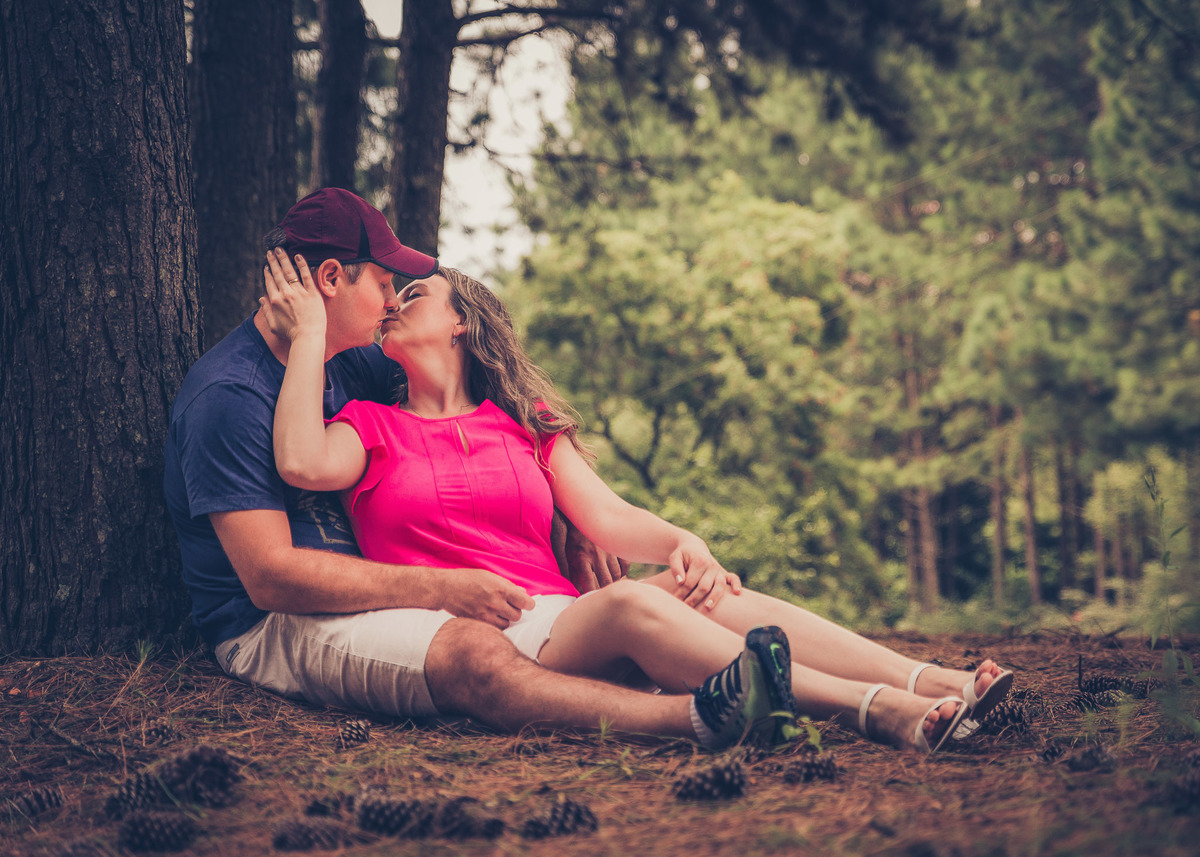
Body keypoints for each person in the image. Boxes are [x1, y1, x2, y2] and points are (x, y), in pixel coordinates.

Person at [262, 250, 1016, 753]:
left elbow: (608, 515)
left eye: (415, 294)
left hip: (562, 622)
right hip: (486, 634)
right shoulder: (369, 425)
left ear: (461, 322)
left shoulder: (521, 424)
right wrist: (309, 334)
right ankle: (871, 707)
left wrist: (682, 540)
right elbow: (298, 460)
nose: (394, 304)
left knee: (708, 590)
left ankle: (933, 680)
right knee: (630, 602)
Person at [164, 187, 786, 751]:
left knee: (673, 598)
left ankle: (819, 689)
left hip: (379, 595)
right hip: (275, 622)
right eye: (384, 282)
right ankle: (695, 717)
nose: (391, 302)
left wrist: (570, 515)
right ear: (330, 278)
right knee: (472, 648)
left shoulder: (354, 361)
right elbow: (271, 580)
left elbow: (469, 398)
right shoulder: (229, 395)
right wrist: (442, 587)